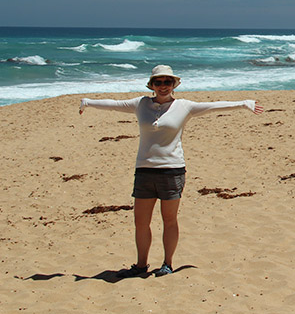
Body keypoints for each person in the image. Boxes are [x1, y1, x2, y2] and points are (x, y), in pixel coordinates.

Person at [79, 65, 264, 278]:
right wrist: (88, 102)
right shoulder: (140, 104)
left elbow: (213, 106)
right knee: (141, 222)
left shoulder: (185, 106)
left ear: (174, 84)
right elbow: (113, 104)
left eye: (167, 82)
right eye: (158, 82)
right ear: (152, 85)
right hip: (145, 171)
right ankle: (141, 265)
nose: (163, 86)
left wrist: (243, 104)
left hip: (172, 171)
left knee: (169, 220)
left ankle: (167, 263)